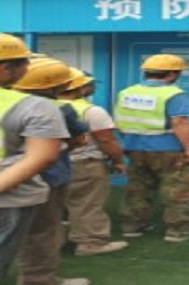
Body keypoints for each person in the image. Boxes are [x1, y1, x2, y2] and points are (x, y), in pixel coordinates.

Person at [114, 54, 189, 242]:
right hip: (168, 148)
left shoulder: (126, 93)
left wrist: (128, 142)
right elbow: (180, 123)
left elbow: (120, 121)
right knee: (179, 187)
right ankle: (180, 229)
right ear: (172, 74)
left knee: (138, 186)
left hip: (134, 147)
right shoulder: (174, 94)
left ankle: (132, 225)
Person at [13, 58, 91, 285]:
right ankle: (39, 280)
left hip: (9, 173)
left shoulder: (8, 103)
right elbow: (78, 139)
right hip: (47, 176)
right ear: (55, 85)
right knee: (42, 231)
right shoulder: (59, 109)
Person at [0, 34, 67, 283]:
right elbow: (40, 157)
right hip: (8, 198)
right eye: (24, 62)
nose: (29, 68)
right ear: (6, 67)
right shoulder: (36, 106)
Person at [58, 68, 129, 256]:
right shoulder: (92, 111)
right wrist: (118, 161)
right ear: (80, 88)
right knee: (87, 203)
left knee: (54, 205)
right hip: (84, 163)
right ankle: (90, 242)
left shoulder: (41, 106)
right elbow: (106, 140)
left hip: (50, 163)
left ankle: (54, 242)